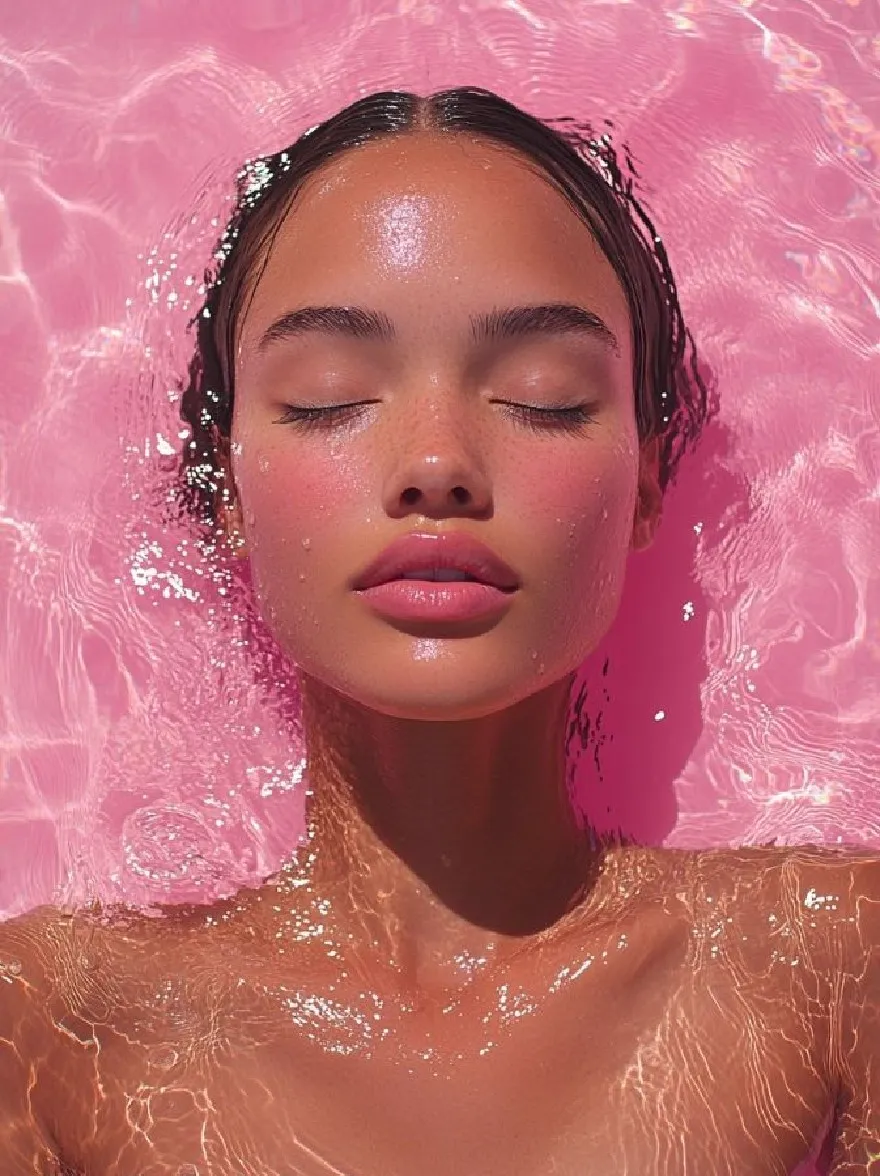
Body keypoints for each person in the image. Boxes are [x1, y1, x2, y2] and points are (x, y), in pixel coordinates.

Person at [0, 87, 876, 1176]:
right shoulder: (56, 1031)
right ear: (227, 487)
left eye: (544, 396)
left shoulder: (829, 964)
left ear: (647, 479)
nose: (435, 465)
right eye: (327, 397)